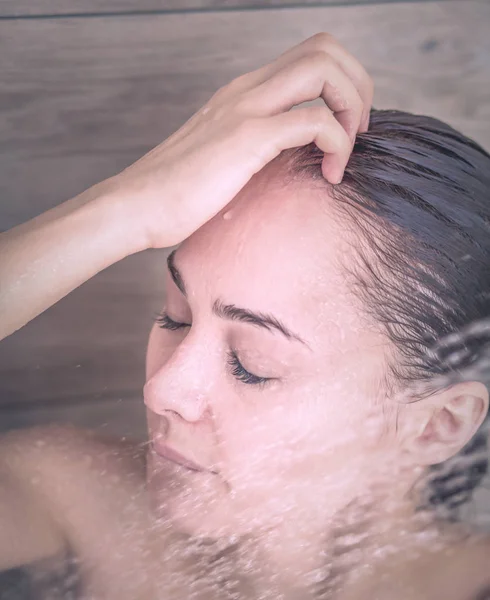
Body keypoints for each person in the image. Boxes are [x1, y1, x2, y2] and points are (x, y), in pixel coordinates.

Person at [0, 31, 490, 600]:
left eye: (251, 365)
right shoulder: (78, 499)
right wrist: (124, 208)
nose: (163, 389)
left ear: (437, 425)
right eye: (176, 317)